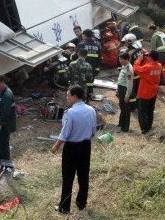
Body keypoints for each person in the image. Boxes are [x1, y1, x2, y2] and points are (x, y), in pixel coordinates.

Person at [51, 85, 97, 214]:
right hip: (86, 146)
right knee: (83, 176)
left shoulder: (71, 112)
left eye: (68, 95)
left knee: (68, 177)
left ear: (75, 97)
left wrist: (56, 146)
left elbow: (65, 133)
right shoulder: (91, 110)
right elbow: (94, 131)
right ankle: (81, 203)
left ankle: (64, 207)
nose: (67, 98)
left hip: (72, 148)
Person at [133, 50, 162, 134]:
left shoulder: (147, 68)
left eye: (148, 56)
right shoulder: (159, 65)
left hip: (145, 93)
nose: (147, 57)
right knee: (150, 110)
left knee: (142, 112)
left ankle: (145, 129)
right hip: (153, 92)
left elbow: (136, 69)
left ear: (151, 58)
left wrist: (139, 59)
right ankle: (149, 126)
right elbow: (148, 66)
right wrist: (145, 57)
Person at [0, 75, 17, 162]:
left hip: (4, 124)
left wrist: (0, 124)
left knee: (3, 143)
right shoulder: (0, 91)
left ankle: (5, 161)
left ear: (2, 82)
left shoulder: (6, 95)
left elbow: (6, 112)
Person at [76, 29, 101, 96]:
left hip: (82, 68)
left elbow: (75, 56)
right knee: (90, 83)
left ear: (84, 35)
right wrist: (97, 69)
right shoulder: (97, 46)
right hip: (92, 68)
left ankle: (82, 98)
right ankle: (89, 96)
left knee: (81, 84)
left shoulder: (81, 45)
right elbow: (99, 58)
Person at [117, 52, 134, 132]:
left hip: (124, 90)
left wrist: (127, 96)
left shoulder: (128, 69)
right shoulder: (124, 66)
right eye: (119, 59)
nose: (120, 61)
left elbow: (129, 84)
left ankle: (125, 127)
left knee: (126, 109)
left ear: (127, 59)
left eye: (122, 59)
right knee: (122, 107)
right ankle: (121, 123)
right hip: (121, 89)